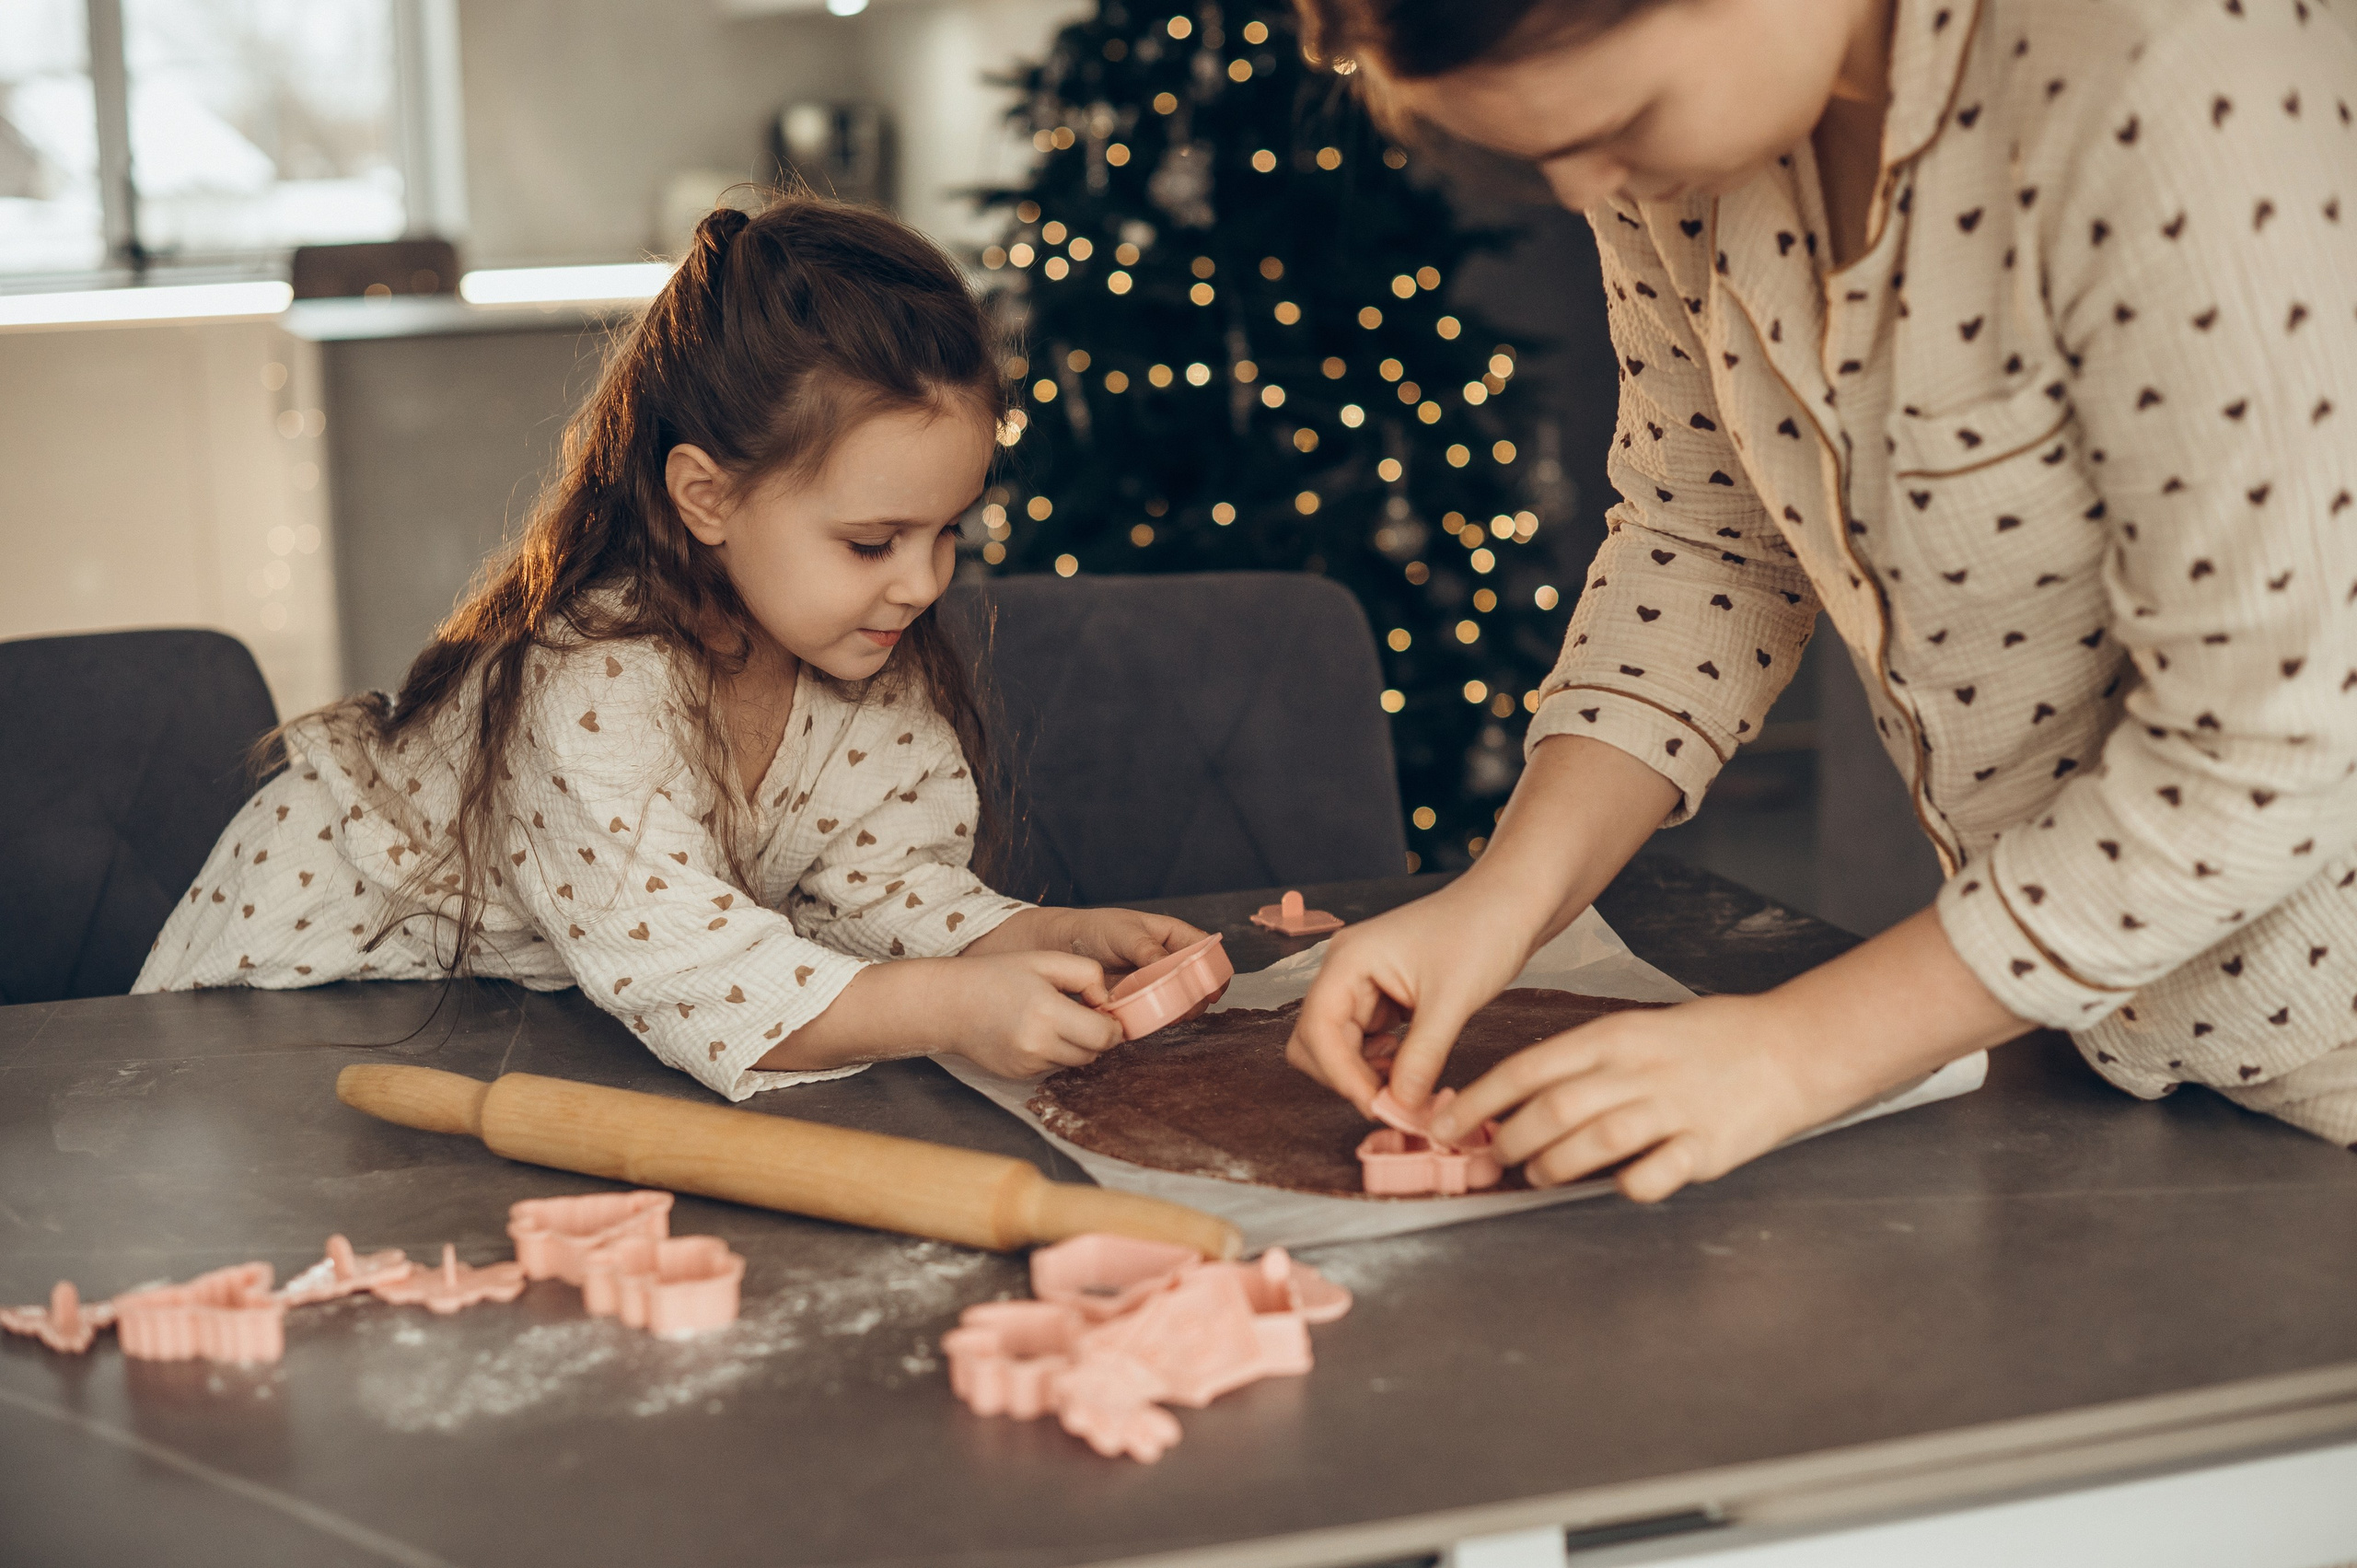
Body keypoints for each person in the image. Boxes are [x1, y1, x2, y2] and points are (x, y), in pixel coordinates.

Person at [1287, 0, 2357, 1195]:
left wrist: (1804, 1046)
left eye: (1622, 117)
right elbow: (1709, 534)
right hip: (2124, 1043)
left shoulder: (2169, 69)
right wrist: (1503, 895)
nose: (1585, 184)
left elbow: (2270, 742)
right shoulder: (1668, 172)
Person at [138, 195, 1207, 1100]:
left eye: (948, 533)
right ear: (707, 495)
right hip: (283, 1016)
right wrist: (944, 1007)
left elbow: (878, 880)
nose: (925, 583)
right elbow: (689, 970)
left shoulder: (854, 653)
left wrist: (1029, 940)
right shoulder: (592, 683)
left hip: (482, 1025)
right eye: (873, 540)